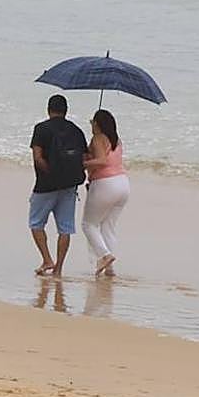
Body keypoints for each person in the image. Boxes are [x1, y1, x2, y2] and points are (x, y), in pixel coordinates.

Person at [29, 94, 88, 277]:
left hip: (45, 185)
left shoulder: (41, 129)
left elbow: (38, 157)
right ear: (66, 111)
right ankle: (59, 269)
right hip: (69, 186)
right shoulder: (76, 131)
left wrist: (50, 174)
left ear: (48, 110)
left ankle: (47, 259)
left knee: (36, 223)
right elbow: (84, 159)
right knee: (65, 228)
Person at [81, 109, 129, 277]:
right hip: (123, 184)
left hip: (105, 184)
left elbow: (102, 161)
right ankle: (109, 269)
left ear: (97, 124)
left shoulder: (98, 138)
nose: (91, 125)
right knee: (108, 226)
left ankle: (105, 255)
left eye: (92, 122)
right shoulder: (117, 140)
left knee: (88, 224)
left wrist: (82, 164)